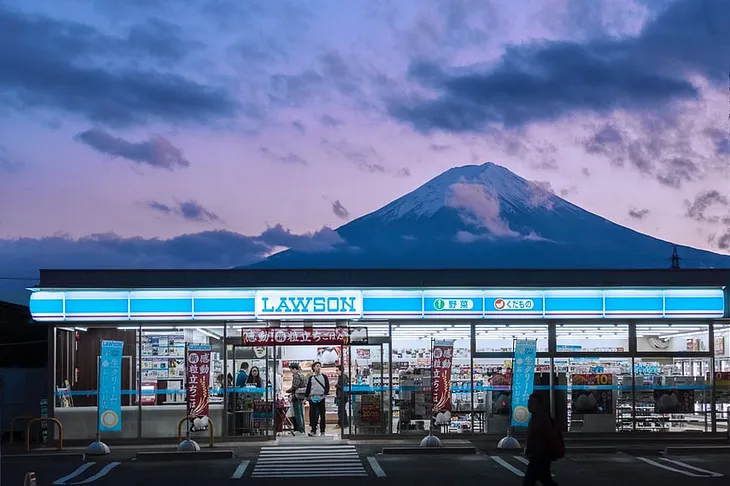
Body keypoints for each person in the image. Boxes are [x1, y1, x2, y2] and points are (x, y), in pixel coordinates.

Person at [523, 393, 561, 486]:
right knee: (544, 479)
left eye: (532, 402)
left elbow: (548, 436)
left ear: (538, 405)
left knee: (531, 480)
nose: (529, 405)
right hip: (538, 455)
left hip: (540, 455)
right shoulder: (536, 417)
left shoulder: (542, 418)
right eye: (529, 402)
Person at [305, 361, 330, 436]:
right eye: (317, 366)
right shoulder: (311, 378)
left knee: (322, 415)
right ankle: (313, 430)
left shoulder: (324, 376)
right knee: (313, 415)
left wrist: (324, 395)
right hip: (313, 398)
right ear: (313, 367)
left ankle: (322, 430)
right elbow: (308, 388)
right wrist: (306, 397)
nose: (318, 367)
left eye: (319, 366)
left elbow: (327, 386)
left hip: (321, 398)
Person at [286, 363, 307, 434]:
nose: (291, 371)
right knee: (301, 413)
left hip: (296, 396)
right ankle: (302, 429)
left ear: (295, 369)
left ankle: (300, 429)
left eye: (291, 369)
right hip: (302, 396)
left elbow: (295, 387)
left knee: (297, 414)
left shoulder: (296, 376)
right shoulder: (303, 375)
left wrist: (288, 391)